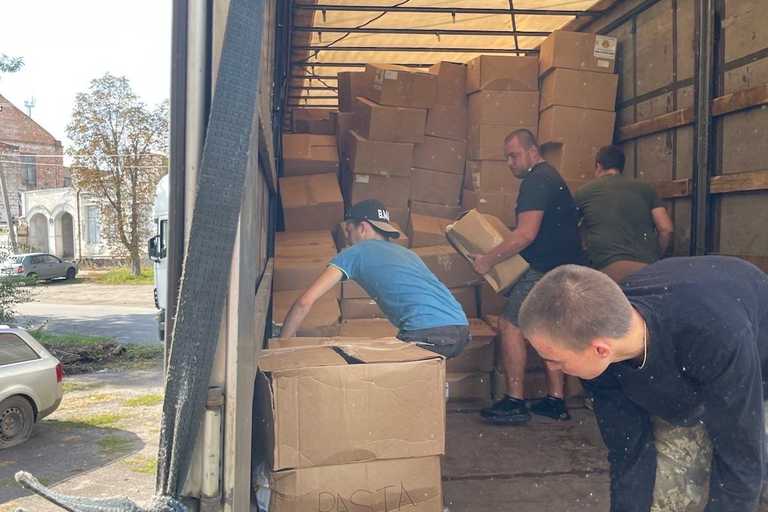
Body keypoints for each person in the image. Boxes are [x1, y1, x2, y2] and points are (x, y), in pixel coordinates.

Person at [517, 257, 768, 511]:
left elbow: (741, 458)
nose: (550, 368)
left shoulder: (716, 336)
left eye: (554, 360)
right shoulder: (598, 351)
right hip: (690, 374)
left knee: (750, 468)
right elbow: (628, 451)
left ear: (599, 349)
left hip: (755, 363)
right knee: (664, 496)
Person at [471, 129, 584, 425]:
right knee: (548, 329)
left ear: (533, 151)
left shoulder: (536, 180)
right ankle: (555, 401)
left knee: (510, 324)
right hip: (565, 267)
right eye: (507, 157)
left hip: (545, 269)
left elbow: (525, 234)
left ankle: (515, 400)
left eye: (514, 155)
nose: (510, 163)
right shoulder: (551, 177)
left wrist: (487, 260)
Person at [280, 199, 470, 358]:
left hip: (428, 333)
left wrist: (282, 347)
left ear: (362, 227)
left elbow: (305, 302)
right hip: (460, 330)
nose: (347, 237)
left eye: (348, 230)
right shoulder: (407, 254)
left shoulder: (355, 252)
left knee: (366, 377)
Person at [575, 145, 674, 283]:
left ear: (598, 166)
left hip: (607, 271)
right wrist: (656, 256)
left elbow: (571, 230)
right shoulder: (646, 189)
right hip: (648, 270)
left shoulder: (584, 192)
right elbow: (666, 228)